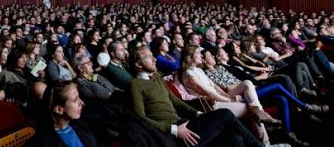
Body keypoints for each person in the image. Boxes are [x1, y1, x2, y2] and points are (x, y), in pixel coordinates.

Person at [130, 46, 289, 147]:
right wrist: (174, 130)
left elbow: (175, 101)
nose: (154, 58)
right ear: (138, 64)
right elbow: (139, 117)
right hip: (173, 130)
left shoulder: (157, 77)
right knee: (225, 115)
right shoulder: (135, 84)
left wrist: (196, 113)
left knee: (235, 139)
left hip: (184, 121)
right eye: (148, 57)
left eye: (152, 55)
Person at [29, 81, 103, 147]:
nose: (82, 103)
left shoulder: (81, 123)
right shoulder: (44, 142)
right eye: (75, 100)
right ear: (59, 109)